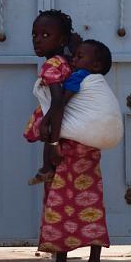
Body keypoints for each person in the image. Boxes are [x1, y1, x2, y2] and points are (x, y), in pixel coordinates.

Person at [28, 39, 113, 185]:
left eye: (79, 57)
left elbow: (61, 101)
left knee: (49, 137)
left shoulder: (78, 76)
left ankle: (46, 169)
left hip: (74, 141)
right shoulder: (89, 78)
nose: (73, 60)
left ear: (96, 65)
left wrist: (46, 119)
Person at [23, 10, 74, 185]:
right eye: (34, 34)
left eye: (45, 35)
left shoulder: (51, 64)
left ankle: (46, 169)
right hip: (68, 125)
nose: (37, 39)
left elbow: (57, 100)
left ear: (62, 40)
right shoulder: (65, 60)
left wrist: (53, 142)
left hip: (59, 128)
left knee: (60, 195)